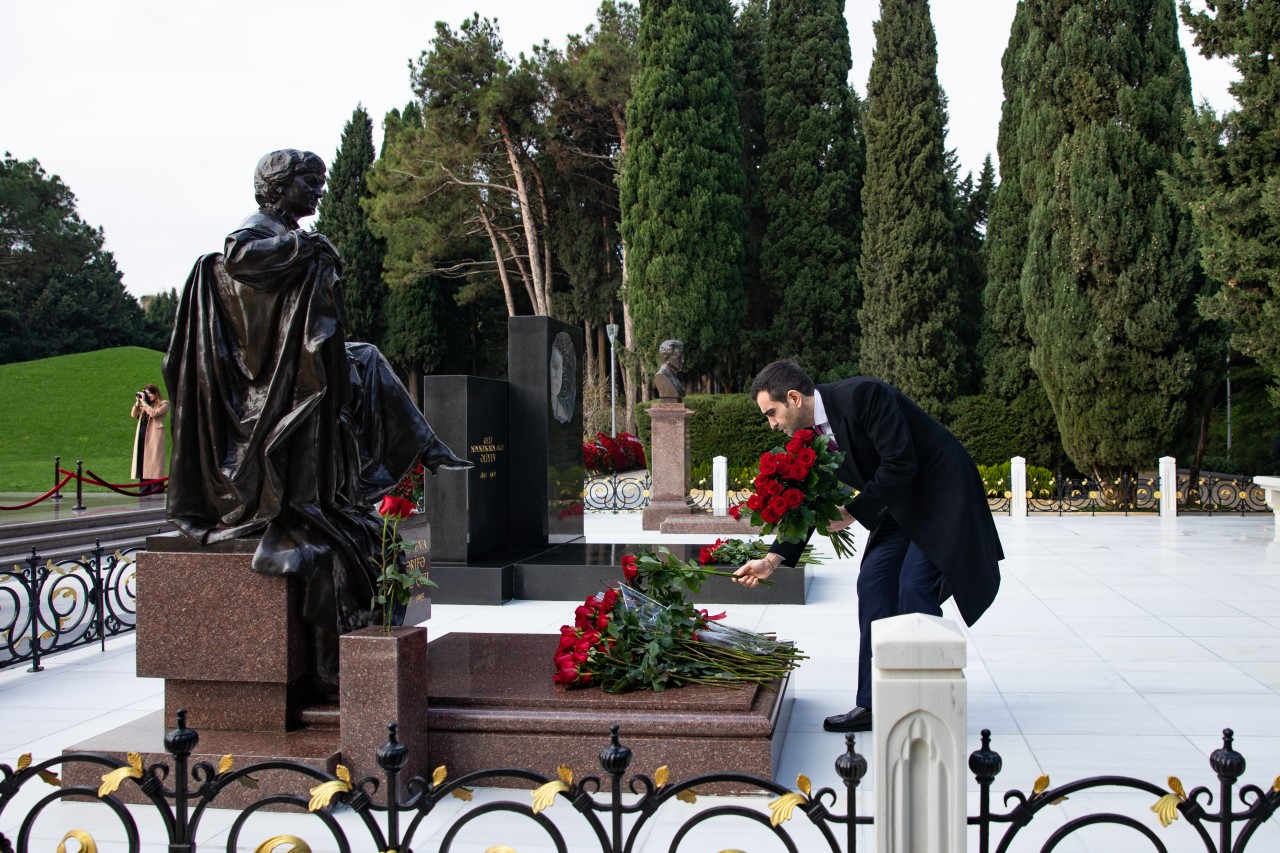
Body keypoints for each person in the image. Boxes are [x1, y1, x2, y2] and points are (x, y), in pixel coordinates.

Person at [163, 149, 469, 691]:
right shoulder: (259, 230)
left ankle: (424, 446)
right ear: (278, 186)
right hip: (270, 383)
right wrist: (304, 247)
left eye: (320, 182)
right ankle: (421, 451)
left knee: (367, 356)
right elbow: (237, 256)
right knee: (360, 363)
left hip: (295, 366)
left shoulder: (289, 233)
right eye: (310, 182)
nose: (319, 192)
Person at [732, 361, 1003, 732]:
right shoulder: (808, 436)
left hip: (943, 493)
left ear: (794, 398)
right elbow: (811, 497)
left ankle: (927, 706)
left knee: (913, 587)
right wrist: (773, 559)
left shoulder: (864, 395)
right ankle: (875, 704)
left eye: (772, 413)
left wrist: (852, 512)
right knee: (874, 583)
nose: (772, 424)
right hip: (900, 502)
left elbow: (900, 462)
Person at [129, 384, 169, 494]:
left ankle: (156, 488)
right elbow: (133, 414)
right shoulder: (144, 405)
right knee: (143, 461)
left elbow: (154, 413)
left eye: (151, 393)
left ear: (156, 394)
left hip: (154, 436)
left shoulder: (164, 404)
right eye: (147, 393)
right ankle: (144, 488)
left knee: (154, 462)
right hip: (142, 437)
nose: (149, 396)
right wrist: (138, 403)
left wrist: (145, 403)